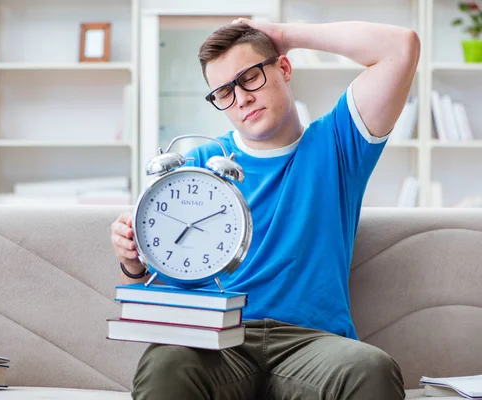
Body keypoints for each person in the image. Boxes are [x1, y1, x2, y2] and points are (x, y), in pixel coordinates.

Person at [111, 18, 420, 400]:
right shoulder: (197, 165)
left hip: (312, 345)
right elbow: (161, 278)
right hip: (217, 340)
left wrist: (286, 36)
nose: (241, 98)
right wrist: (133, 261)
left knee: (372, 369)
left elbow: (400, 47)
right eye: (223, 91)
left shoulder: (338, 145)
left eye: (249, 77)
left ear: (284, 68)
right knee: (165, 364)